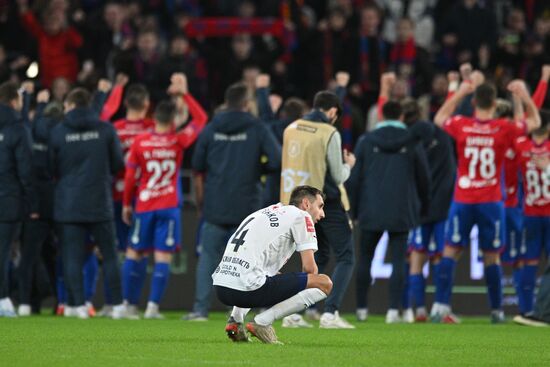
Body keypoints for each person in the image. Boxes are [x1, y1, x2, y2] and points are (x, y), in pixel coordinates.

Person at [432, 78, 540, 323]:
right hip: (491, 201)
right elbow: (535, 122)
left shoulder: (463, 124)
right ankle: (496, 311)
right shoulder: (504, 127)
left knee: (451, 250)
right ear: (494, 102)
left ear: (473, 102)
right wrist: (524, 95)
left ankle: (440, 306)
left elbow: (439, 117)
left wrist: (460, 90)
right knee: (492, 256)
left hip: (463, 198)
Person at [185, 82, 281, 320]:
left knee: (208, 256)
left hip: (215, 204)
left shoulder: (211, 128)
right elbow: (277, 160)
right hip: (247, 206)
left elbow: (197, 166)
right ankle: (253, 308)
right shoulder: (257, 128)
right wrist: (259, 167)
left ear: (227, 103)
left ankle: (200, 310)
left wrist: (201, 202)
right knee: (253, 259)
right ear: (247, 104)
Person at [121, 74, 207, 319]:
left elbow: (129, 177)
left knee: (134, 252)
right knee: (162, 256)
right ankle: (152, 308)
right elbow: (200, 118)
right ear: (172, 121)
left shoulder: (140, 141)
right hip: (169, 205)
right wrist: (184, 94)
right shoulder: (177, 140)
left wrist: (127, 204)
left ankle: (127, 305)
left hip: (145, 204)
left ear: (154, 118)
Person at [213, 186, 332, 344]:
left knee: (265, 276)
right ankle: (262, 322)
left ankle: (235, 321)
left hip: (220, 287)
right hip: (245, 290)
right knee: (323, 283)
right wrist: (296, 293)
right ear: (306, 204)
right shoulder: (302, 216)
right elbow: (310, 270)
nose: (322, 214)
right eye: (320, 206)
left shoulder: (266, 211)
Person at [347, 100, 431, 323]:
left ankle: (362, 309)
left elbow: (354, 179)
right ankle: (394, 311)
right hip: (401, 210)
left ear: (381, 116)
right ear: (401, 116)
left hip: (370, 209)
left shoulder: (365, 141)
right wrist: (423, 207)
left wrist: (352, 211)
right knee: (398, 261)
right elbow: (424, 177)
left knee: (365, 259)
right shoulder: (412, 142)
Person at [281, 90, 356, 328]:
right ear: (332, 111)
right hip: (326, 203)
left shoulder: (292, 128)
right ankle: (330, 313)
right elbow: (337, 175)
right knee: (346, 256)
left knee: (318, 256)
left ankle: (294, 314)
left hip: (298, 203)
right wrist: (349, 165)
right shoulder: (329, 132)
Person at [49, 87, 125, 319]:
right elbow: (118, 164)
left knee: (72, 256)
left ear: (70, 105)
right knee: (110, 255)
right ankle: (119, 305)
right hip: (99, 202)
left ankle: (78, 305)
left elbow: (51, 168)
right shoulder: (105, 129)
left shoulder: (59, 131)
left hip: (69, 203)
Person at [0, 81, 37, 317]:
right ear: (15, 101)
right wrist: (32, 203)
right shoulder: (18, 128)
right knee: (3, 252)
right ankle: (3, 300)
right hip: (8, 200)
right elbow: (26, 170)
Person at [511, 110, 550, 317]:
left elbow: (519, 126)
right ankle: (543, 310)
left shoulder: (522, 147)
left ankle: (526, 310)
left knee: (529, 262)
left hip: (530, 213)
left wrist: (520, 100)